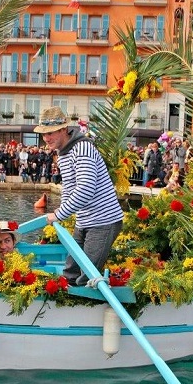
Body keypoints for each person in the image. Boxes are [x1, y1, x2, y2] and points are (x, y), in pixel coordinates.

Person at [36, 106, 123, 286]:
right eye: (43, 134)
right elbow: (69, 188)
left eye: (50, 133)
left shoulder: (82, 148)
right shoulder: (63, 154)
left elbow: (85, 189)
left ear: (63, 130)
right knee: (71, 271)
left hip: (103, 221)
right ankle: (62, 304)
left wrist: (59, 214)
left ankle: (85, 307)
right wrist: (62, 214)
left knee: (87, 275)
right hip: (84, 221)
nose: (46, 138)